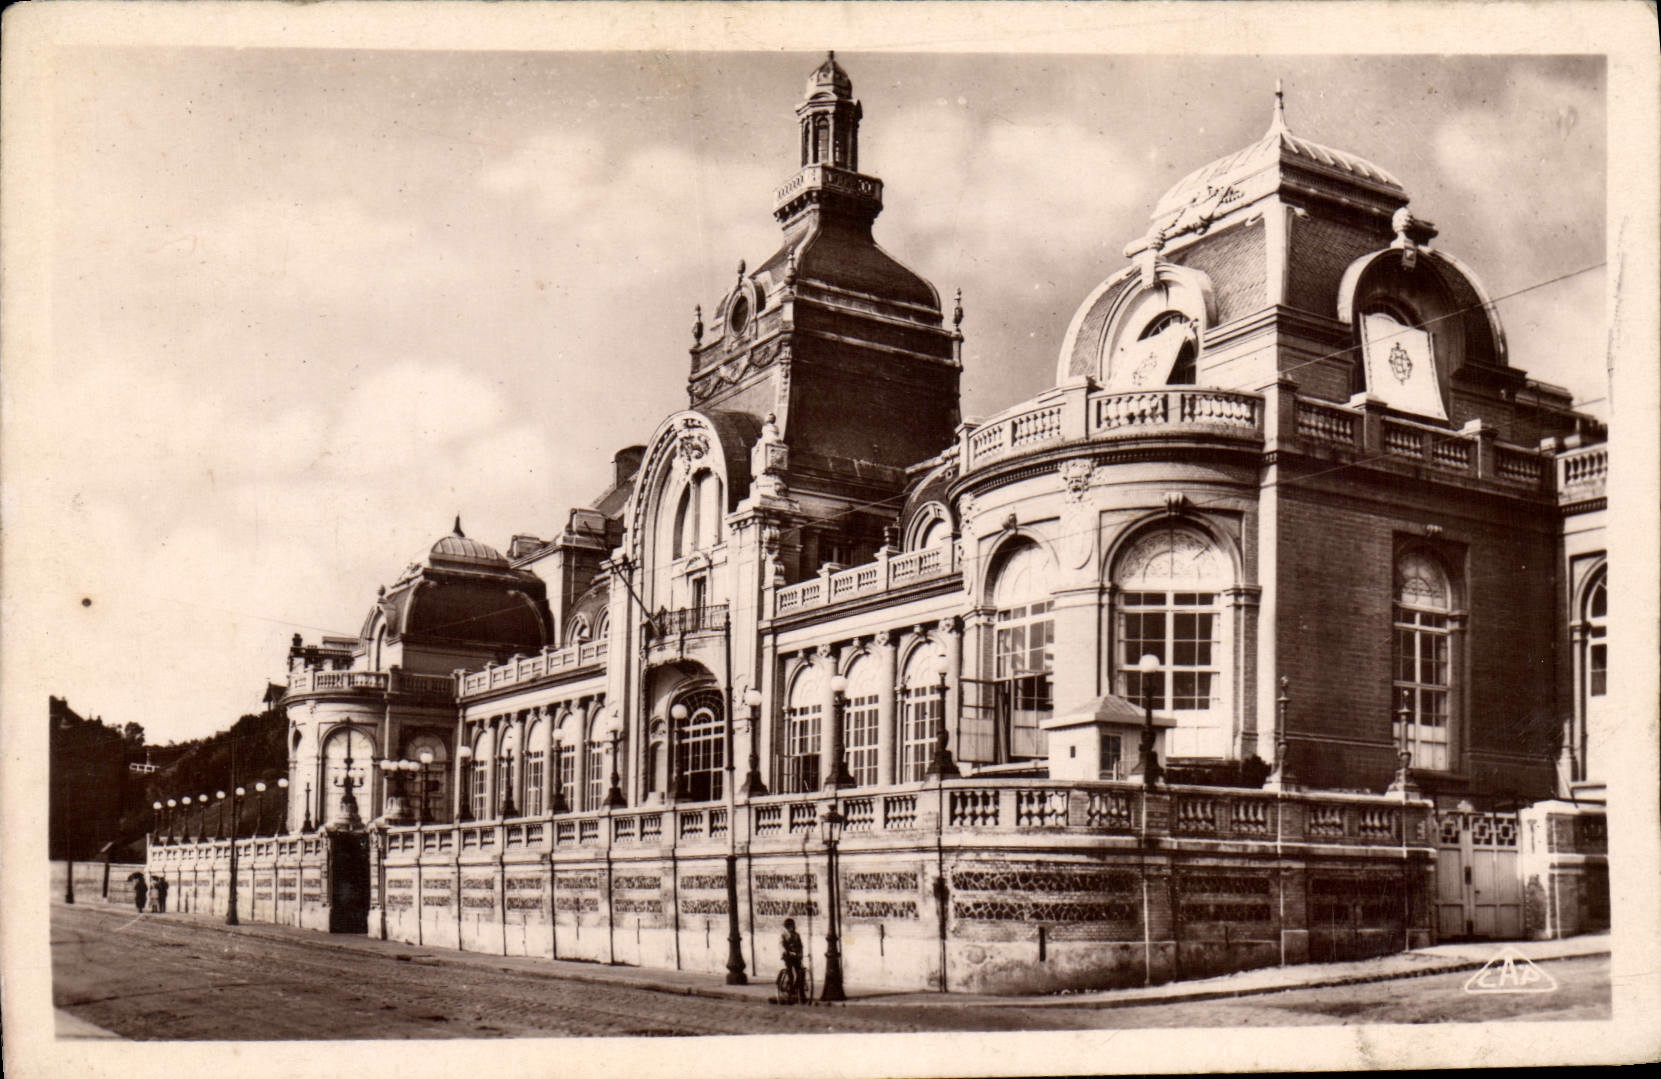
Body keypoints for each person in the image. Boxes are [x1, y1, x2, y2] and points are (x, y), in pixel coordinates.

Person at [780, 917, 804, 1001]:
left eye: (792, 926)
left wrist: (800, 953)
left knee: (801, 973)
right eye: (789, 926)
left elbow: (800, 945)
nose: (792, 928)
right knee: (791, 975)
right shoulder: (784, 935)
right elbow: (782, 945)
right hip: (788, 957)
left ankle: (801, 994)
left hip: (796, 956)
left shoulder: (797, 935)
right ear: (786, 927)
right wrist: (787, 952)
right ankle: (790, 992)